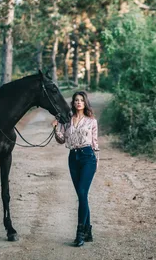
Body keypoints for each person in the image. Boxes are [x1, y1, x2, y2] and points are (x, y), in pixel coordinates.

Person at [52, 91, 99, 247]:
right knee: (82, 195)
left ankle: (80, 233)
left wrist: (96, 162)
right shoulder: (67, 121)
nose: (79, 102)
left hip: (88, 157)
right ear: (73, 103)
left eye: (81, 100)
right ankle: (88, 231)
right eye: (76, 100)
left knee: (82, 193)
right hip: (73, 158)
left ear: (85, 103)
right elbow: (61, 140)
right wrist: (55, 128)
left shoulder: (91, 121)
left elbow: (95, 144)